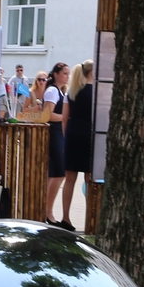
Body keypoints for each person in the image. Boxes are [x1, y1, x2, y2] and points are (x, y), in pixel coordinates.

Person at [60, 59, 94, 230]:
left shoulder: (71, 91)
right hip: (90, 135)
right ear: (92, 72)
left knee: (70, 179)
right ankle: (90, 220)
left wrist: (66, 137)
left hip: (73, 134)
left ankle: (65, 217)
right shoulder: (95, 91)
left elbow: (64, 119)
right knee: (89, 179)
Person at [41, 62, 70, 228]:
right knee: (58, 174)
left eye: (68, 73)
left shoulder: (59, 91)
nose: (67, 76)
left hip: (59, 134)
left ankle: (47, 210)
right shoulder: (52, 91)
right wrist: (67, 117)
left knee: (56, 175)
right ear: (56, 74)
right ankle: (48, 211)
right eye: (65, 73)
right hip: (54, 134)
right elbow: (48, 115)